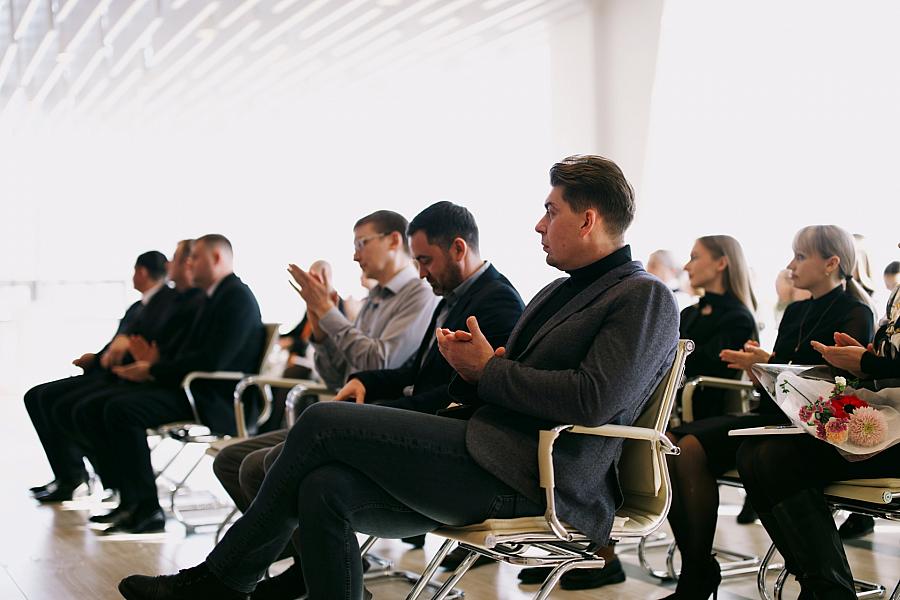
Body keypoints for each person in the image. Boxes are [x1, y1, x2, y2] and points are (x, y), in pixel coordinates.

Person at [118, 154, 680, 600]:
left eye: (550, 211)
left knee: (322, 423)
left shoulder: (643, 296)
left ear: (588, 219)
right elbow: (508, 380)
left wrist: (489, 369)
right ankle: (234, 581)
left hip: (537, 477)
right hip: (491, 448)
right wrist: (476, 369)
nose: (539, 224)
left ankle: (222, 581)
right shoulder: (559, 290)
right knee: (323, 487)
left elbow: (592, 399)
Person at [223, 201, 525, 599]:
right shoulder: (451, 298)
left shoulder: (496, 302)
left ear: (458, 249)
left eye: (425, 261)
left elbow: (460, 398)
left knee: (287, 456)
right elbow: (413, 372)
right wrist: (365, 381)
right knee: (260, 462)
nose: (421, 272)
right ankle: (297, 571)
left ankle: (232, 576)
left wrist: (379, 411)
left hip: (449, 445)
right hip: (419, 421)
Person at [660, 225, 876, 599]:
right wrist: (760, 370)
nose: (791, 265)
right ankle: (696, 566)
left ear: (831, 264)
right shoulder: (795, 311)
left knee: (712, 449)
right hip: (773, 413)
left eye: (800, 256)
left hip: (813, 420)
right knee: (675, 445)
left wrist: (771, 366)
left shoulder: (855, 312)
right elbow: (779, 380)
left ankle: (704, 575)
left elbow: (841, 385)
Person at [211, 211, 435, 530]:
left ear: (393, 241)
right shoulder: (374, 299)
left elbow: (378, 365)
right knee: (230, 461)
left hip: (378, 421)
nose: (355, 255)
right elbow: (338, 378)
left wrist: (328, 311)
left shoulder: (419, 294)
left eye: (362, 243)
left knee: (259, 466)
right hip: (344, 418)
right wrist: (319, 326)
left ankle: (306, 553)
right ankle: (299, 552)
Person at [72, 234, 265, 534]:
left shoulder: (235, 297)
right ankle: (131, 501)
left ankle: (147, 510)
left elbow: (212, 360)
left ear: (216, 258)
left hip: (215, 399)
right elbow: (191, 354)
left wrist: (155, 369)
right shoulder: (215, 296)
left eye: (195, 257)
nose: (189, 263)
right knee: (106, 404)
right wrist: (153, 366)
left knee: (121, 410)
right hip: (194, 389)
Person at [736, 263, 900, 599]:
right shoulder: (896, 296)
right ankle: (820, 585)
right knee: (751, 454)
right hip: (890, 415)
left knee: (776, 458)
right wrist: (862, 362)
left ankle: (828, 591)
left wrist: (868, 363)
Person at [25, 250, 174, 502]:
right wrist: (95, 359)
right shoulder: (139, 306)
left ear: (141, 272)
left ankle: (94, 480)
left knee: (67, 404)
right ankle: (71, 475)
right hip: (108, 372)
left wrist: (106, 361)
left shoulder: (164, 303)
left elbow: (140, 346)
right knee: (37, 396)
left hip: (126, 378)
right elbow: (116, 346)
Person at [678, 235, 758, 421]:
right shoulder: (688, 313)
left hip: (711, 415)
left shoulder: (738, 318)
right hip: (677, 407)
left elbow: (703, 365)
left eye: (694, 257)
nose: (686, 267)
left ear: (721, 263)